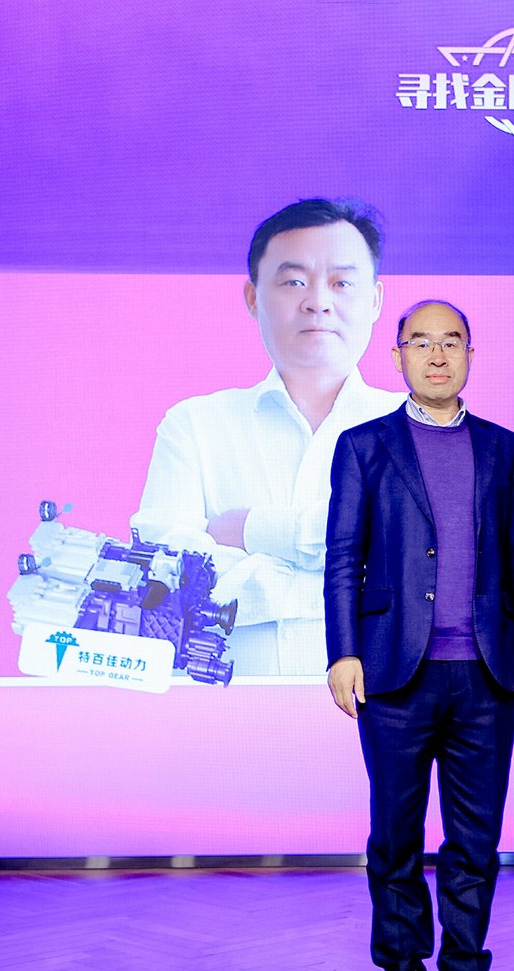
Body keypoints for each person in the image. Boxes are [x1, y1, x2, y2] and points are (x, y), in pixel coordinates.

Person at [325, 300, 514, 971]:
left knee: (475, 840)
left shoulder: (504, 448)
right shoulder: (364, 446)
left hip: (484, 672)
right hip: (394, 672)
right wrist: (343, 651)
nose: (438, 355)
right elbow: (342, 557)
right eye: (421, 342)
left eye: (452, 342)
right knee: (395, 836)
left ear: (472, 355)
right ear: (397, 357)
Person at [132, 198, 403, 675]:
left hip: (386, 710)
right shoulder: (194, 426)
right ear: (253, 297)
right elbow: (166, 574)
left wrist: (252, 531)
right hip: (228, 713)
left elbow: (432, 570)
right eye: (294, 281)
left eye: (341, 283)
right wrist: (348, 585)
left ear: (376, 300)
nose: (318, 301)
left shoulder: (419, 430)